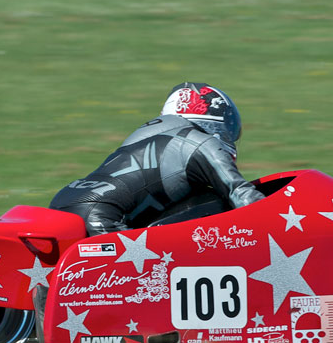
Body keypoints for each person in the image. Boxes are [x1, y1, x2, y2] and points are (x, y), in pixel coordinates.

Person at [49, 82, 265, 235]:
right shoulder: (199, 142)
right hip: (101, 213)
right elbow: (241, 196)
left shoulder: (148, 135)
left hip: (64, 203)